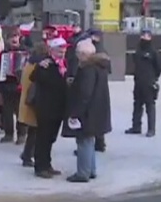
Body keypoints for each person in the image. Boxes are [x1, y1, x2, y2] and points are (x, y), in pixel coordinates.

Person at [65, 38, 111, 182]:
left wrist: (75, 113)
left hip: (87, 112)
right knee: (89, 141)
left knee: (83, 141)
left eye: (78, 53)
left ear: (84, 54)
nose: (77, 56)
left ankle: (83, 173)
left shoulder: (87, 69)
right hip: (97, 111)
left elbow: (85, 93)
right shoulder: (100, 67)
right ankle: (91, 170)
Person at [29, 38, 69, 179]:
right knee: (43, 138)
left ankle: (47, 164)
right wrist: (40, 64)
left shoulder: (64, 64)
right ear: (51, 50)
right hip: (46, 107)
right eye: (59, 49)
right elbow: (33, 77)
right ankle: (40, 166)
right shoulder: (46, 64)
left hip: (58, 107)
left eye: (64, 49)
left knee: (51, 138)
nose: (63, 52)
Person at [126, 29, 161, 137]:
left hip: (149, 82)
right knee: (137, 104)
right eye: (143, 35)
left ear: (150, 37)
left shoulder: (153, 51)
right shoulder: (138, 50)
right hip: (138, 81)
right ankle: (136, 126)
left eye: (147, 36)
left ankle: (151, 129)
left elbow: (158, 67)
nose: (144, 38)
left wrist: (154, 78)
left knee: (150, 105)